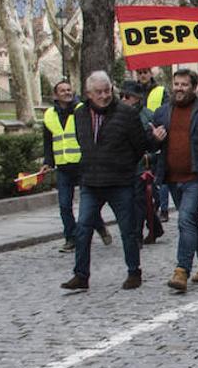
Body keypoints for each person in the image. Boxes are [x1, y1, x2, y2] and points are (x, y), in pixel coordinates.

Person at [60, 71, 149, 291]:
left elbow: (139, 146)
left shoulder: (126, 113)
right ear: (89, 94)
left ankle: (134, 271)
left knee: (127, 229)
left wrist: (124, 165)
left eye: (107, 90)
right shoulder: (80, 115)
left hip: (120, 181)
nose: (104, 96)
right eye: (98, 92)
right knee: (83, 229)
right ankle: (81, 275)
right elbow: (83, 142)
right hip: (91, 181)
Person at [148, 68, 198, 292]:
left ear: (194, 87)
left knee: (184, 219)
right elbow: (151, 145)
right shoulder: (162, 112)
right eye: (176, 84)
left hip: (196, 177)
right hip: (172, 177)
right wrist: (154, 139)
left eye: (184, 85)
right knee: (193, 219)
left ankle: (181, 270)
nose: (179, 89)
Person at [43, 79, 112, 250]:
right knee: (64, 205)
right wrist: (47, 161)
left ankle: (99, 226)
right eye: (62, 90)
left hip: (83, 165)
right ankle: (71, 238)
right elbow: (48, 141)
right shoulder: (49, 114)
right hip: (63, 166)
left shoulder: (83, 110)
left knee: (88, 205)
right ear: (55, 95)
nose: (67, 92)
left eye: (69, 89)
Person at [118, 80, 164, 245]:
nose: (123, 99)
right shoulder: (118, 115)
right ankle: (156, 227)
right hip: (124, 165)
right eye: (121, 96)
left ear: (136, 98)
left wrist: (150, 158)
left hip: (143, 166)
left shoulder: (149, 116)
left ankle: (136, 235)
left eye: (127, 96)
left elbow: (159, 142)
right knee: (136, 201)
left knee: (138, 200)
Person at [135, 66, 169, 221]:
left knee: (161, 177)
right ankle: (152, 217)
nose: (142, 75)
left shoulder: (160, 90)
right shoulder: (133, 90)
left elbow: (167, 110)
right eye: (140, 73)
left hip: (158, 135)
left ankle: (163, 209)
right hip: (141, 136)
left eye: (145, 72)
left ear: (150, 73)